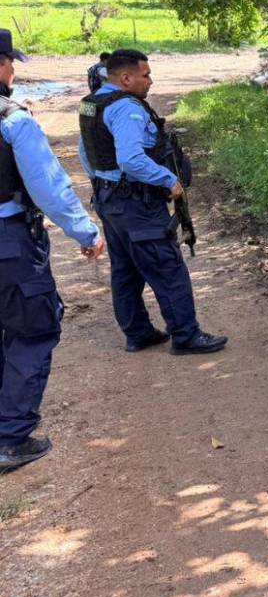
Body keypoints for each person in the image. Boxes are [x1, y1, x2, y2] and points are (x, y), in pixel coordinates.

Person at [0, 30, 105, 473]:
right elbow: (48, 187)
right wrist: (86, 233)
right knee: (32, 331)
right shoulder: (13, 120)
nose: (13, 72)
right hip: (9, 243)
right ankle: (10, 439)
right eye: (10, 63)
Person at [78, 49, 227, 355]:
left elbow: (87, 154)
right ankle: (186, 335)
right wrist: (168, 180)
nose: (150, 81)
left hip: (110, 200)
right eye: (145, 75)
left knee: (126, 270)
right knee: (167, 267)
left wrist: (105, 182)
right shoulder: (126, 108)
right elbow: (131, 158)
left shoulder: (92, 104)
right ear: (125, 78)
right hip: (136, 203)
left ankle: (138, 333)